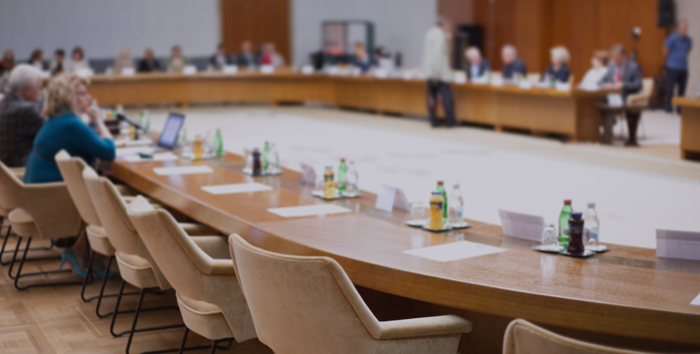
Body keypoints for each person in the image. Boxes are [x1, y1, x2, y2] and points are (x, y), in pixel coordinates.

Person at [24, 73, 114, 184]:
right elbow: (109, 151)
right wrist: (98, 120)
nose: (89, 97)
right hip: (54, 195)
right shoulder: (71, 124)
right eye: (83, 93)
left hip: (39, 193)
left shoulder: (55, 120)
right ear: (68, 96)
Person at [0, 65, 45, 167]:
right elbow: (51, 135)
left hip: (3, 176)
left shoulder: (2, 105)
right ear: (28, 89)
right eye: (38, 88)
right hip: (22, 174)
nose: (39, 93)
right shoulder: (27, 110)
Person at [422, 17, 456, 128]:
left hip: (429, 70)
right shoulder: (440, 34)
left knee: (431, 95)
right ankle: (450, 122)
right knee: (447, 96)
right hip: (439, 72)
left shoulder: (430, 33)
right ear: (444, 25)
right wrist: (437, 71)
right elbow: (438, 54)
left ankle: (433, 120)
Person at [664, 19, 692, 114]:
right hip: (672, 67)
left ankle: (680, 109)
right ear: (678, 28)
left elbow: (688, 51)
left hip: (683, 68)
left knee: (682, 89)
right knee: (670, 88)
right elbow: (665, 51)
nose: (684, 29)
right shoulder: (672, 38)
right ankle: (668, 108)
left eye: (685, 28)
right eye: (682, 27)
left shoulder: (688, 39)